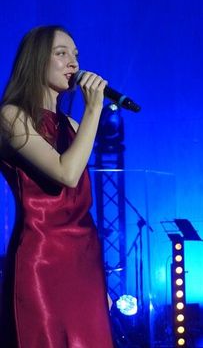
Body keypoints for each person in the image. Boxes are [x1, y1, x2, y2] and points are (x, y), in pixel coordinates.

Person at [0, 26, 114, 347]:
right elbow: (67, 174)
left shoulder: (74, 126)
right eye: (61, 53)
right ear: (36, 60)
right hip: (42, 260)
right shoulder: (11, 117)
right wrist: (93, 109)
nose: (73, 63)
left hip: (84, 260)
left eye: (75, 55)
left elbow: (79, 202)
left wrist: (99, 278)